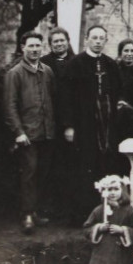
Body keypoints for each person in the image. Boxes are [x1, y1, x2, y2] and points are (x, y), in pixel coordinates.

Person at [61, 25, 130, 213]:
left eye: (101, 38)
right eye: (95, 38)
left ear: (106, 41)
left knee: (108, 164)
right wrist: (69, 126)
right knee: (85, 166)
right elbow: (66, 98)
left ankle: (110, 211)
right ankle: (85, 212)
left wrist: (120, 102)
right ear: (87, 39)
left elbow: (120, 90)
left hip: (108, 126)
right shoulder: (75, 64)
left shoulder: (111, 65)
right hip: (84, 125)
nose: (98, 41)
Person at [3, 30, 57, 233]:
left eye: (37, 46)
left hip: (47, 132)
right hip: (28, 135)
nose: (35, 50)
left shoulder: (47, 72)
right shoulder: (14, 74)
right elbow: (10, 106)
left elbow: (52, 100)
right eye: (31, 46)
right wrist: (18, 131)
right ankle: (26, 214)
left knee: (42, 173)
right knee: (29, 174)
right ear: (22, 48)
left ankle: (35, 212)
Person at [41, 26, 76, 221]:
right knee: (51, 168)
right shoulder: (44, 63)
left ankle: (70, 212)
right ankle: (51, 211)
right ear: (50, 44)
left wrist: (70, 124)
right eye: (55, 41)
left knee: (70, 167)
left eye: (62, 40)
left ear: (68, 41)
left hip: (70, 122)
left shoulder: (76, 61)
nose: (59, 44)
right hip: (49, 121)